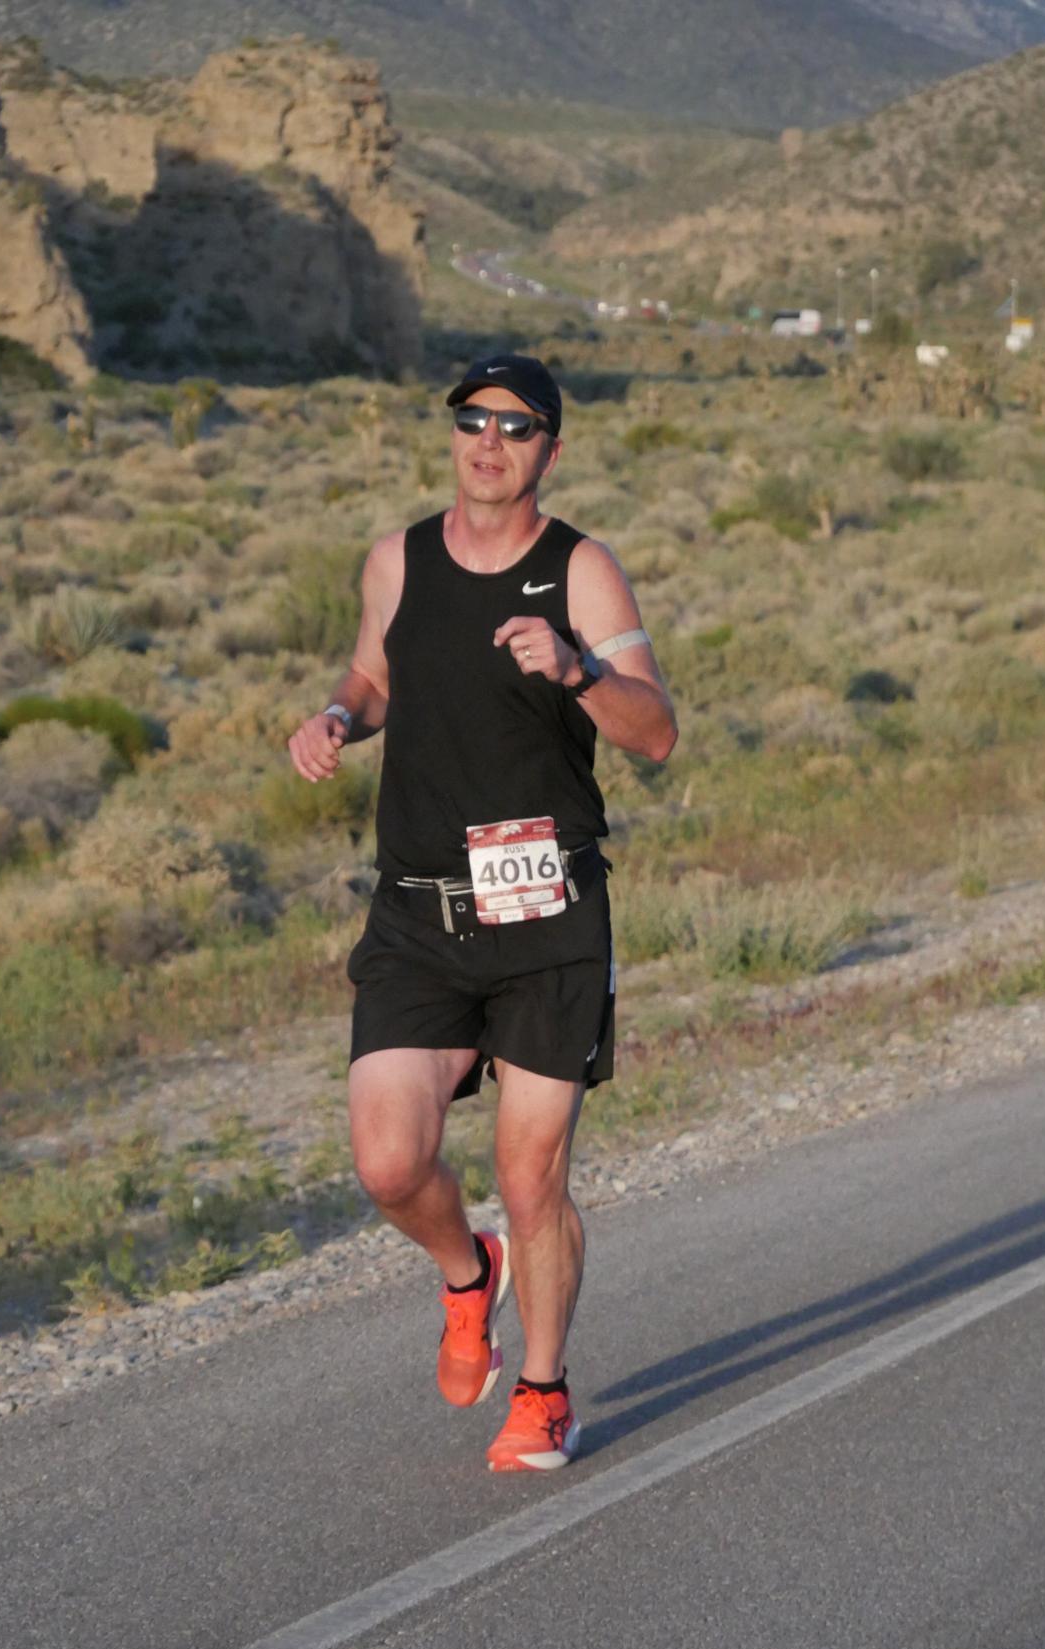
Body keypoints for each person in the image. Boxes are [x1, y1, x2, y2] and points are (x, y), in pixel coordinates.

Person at [287, 354, 676, 1471]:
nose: (489, 442)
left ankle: (544, 1388)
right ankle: (471, 1274)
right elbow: (373, 676)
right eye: (472, 421)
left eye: (516, 425)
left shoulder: (581, 570)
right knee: (388, 1161)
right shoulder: (397, 559)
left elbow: (655, 732)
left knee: (529, 1173)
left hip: (546, 911)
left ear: (551, 446)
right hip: (419, 910)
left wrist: (578, 668)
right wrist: (335, 717)